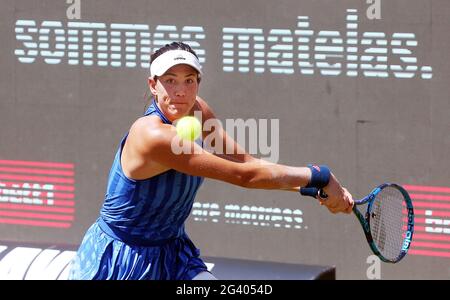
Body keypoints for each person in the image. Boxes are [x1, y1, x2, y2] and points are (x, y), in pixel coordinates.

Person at [68, 41, 354, 280]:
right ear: (153, 85)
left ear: (198, 83)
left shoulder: (197, 110)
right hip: (121, 262)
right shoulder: (151, 135)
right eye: (170, 81)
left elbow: (246, 163)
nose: (180, 91)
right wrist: (320, 175)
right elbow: (245, 177)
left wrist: (309, 189)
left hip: (174, 253)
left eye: (189, 81)